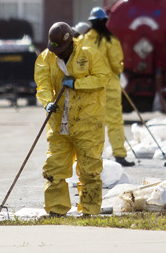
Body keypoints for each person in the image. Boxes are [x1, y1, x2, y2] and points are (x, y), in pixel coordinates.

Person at [34, 22, 110, 216]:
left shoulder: (89, 55)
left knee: (89, 169)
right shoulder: (45, 58)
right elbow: (42, 85)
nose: (57, 53)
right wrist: (47, 103)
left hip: (88, 121)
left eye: (61, 49)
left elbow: (102, 78)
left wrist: (77, 83)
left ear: (70, 43)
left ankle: (90, 211)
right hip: (59, 123)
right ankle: (56, 210)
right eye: (55, 48)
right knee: (54, 168)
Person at [79, 7, 134, 167]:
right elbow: (117, 66)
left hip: (90, 87)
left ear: (91, 22)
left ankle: (93, 156)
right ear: (105, 21)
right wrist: (116, 72)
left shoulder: (83, 40)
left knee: (93, 123)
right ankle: (119, 155)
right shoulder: (111, 40)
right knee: (115, 121)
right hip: (110, 86)